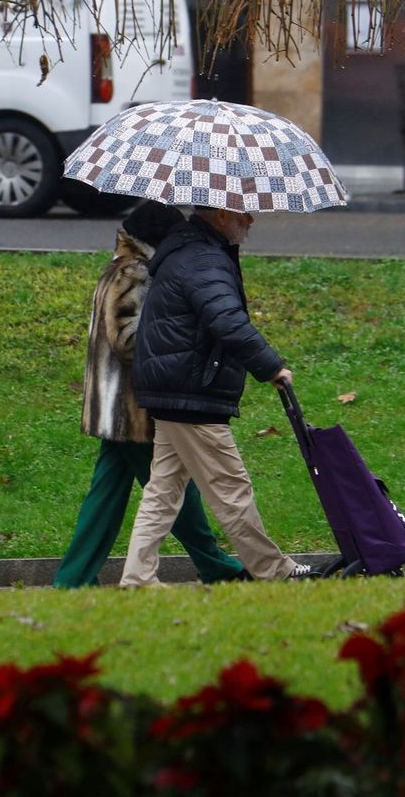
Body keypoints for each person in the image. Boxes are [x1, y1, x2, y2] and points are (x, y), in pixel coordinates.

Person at [52, 201, 246, 588]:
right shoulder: (134, 273)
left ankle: (73, 579)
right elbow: (126, 339)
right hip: (133, 407)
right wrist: (176, 338)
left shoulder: (124, 268)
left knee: (107, 498)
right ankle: (215, 564)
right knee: (173, 491)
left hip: (115, 407)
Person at [120, 204, 313, 586]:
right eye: (244, 213)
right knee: (230, 487)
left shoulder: (188, 250)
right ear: (221, 215)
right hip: (191, 390)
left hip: (172, 387)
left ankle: (137, 578)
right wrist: (271, 366)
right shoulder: (203, 257)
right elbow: (226, 319)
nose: (250, 220)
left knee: (163, 489)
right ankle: (274, 571)